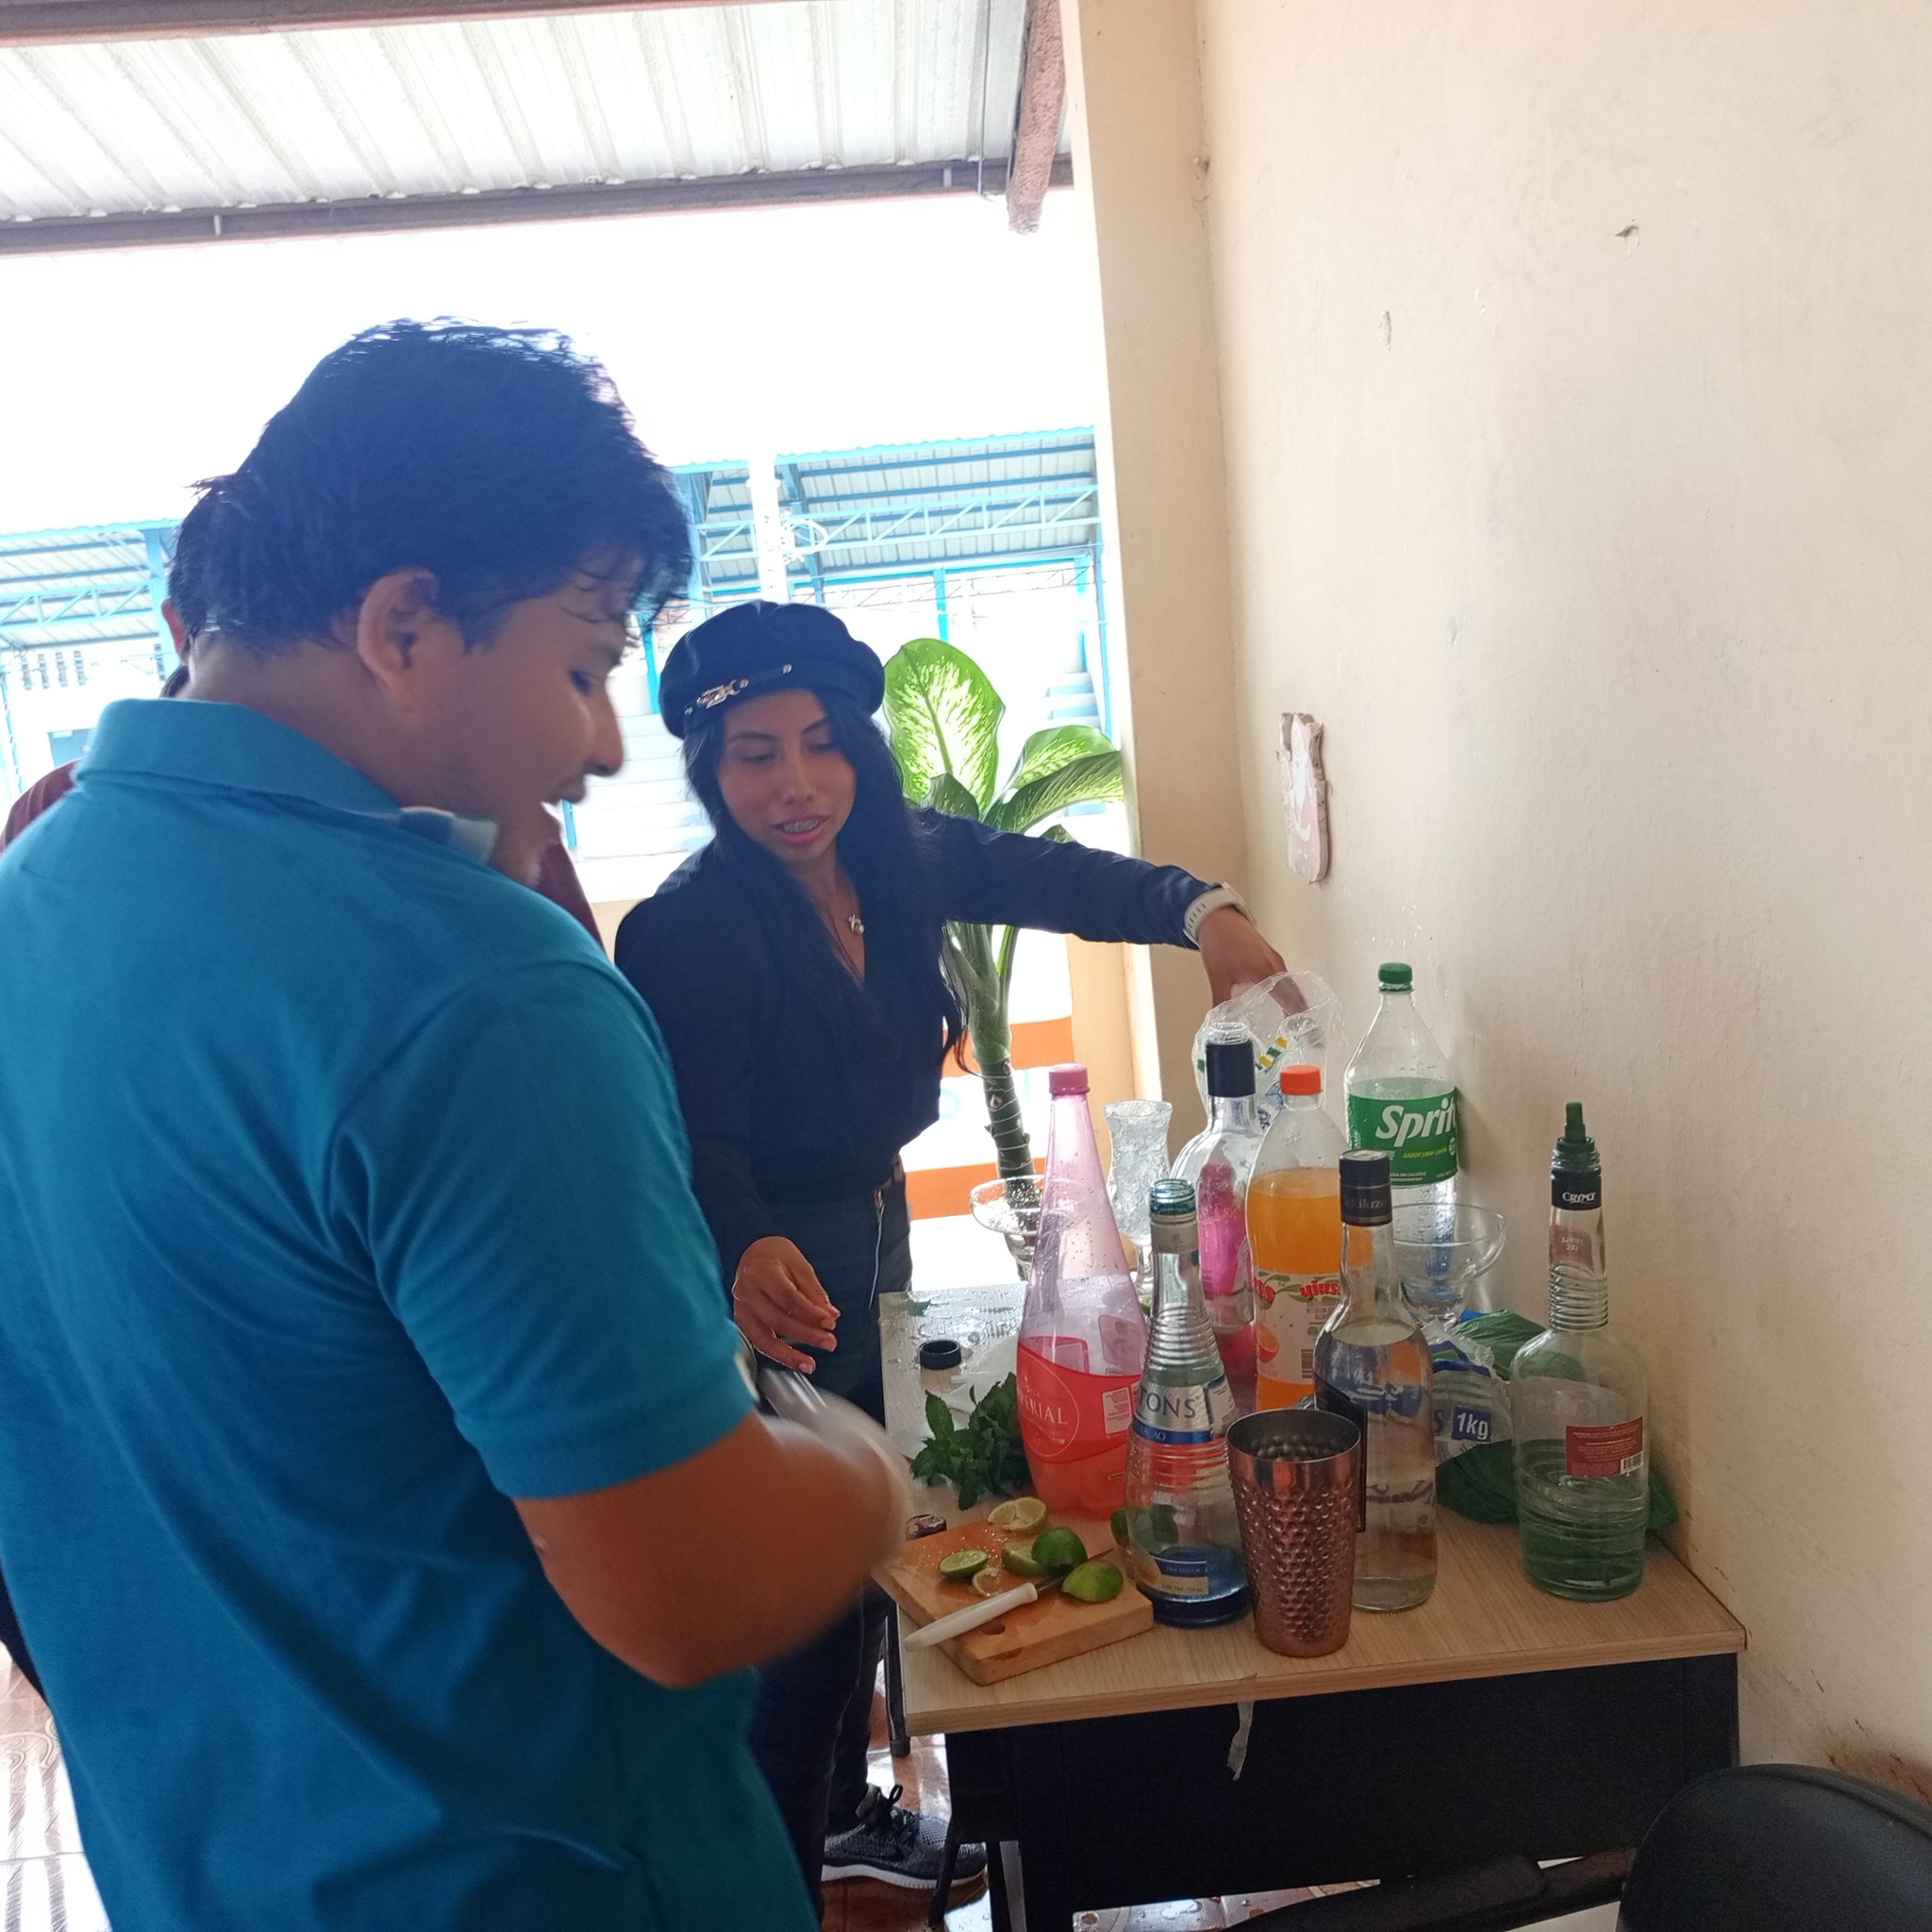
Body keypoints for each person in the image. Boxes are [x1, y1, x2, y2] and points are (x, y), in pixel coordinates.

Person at [0, 324, 907, 1932]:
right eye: (585, 667)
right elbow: (688, 1591)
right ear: (404, 626)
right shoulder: (477, 991)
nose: (604, 746)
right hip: (534, 1875)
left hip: (207, 1871)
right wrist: (861, 1464)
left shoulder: (36, 897)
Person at [614, 599, 1285, 1906]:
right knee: (809, 1586)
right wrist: (743, 1247)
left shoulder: (900, 857)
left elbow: (1067, 881)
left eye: (821, 742)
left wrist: (1206, 911)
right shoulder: (688, 928)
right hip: (765, 1268)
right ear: (708, 770)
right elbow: (689, 1134)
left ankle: (841, 1815)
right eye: (755, 754)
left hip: (871, 1222)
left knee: (881, 1531)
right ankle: (771, 1880)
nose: (797, 783)